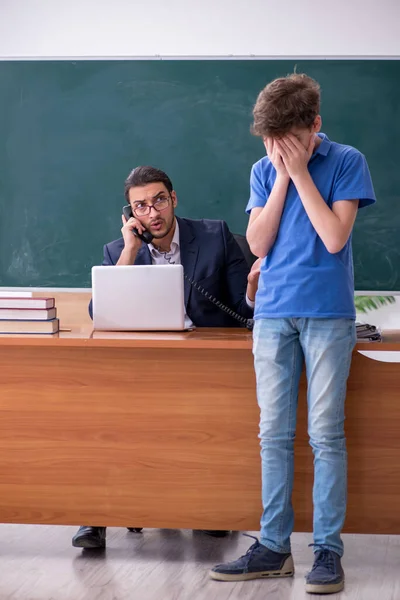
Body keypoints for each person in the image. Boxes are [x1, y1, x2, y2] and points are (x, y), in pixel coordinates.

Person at [210, 74, 376, 594]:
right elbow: (258, 243)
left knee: (325, 435)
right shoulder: (264, 170)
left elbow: (333, 238)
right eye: (268, 141)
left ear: (314, 127)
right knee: (273, 436)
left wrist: (302, 173)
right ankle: (274, 547)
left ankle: (327, 550)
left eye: (287, 139)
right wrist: (281, 174)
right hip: (274, 315)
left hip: (327, 315)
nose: (275, 150)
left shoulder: (347, 161)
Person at [72, 165, 261, 550]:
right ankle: (96, 515)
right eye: (140, 206)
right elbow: (100, 313)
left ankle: (206, 507)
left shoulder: (215, 237)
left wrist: (256, 291)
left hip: (207, 367)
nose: (152, 212)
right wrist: (130, 249)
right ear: (130, 215)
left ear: (173, 199)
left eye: (158, 200)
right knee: (102, 417)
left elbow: (247, 308)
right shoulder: (118, 250)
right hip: (145, 365)